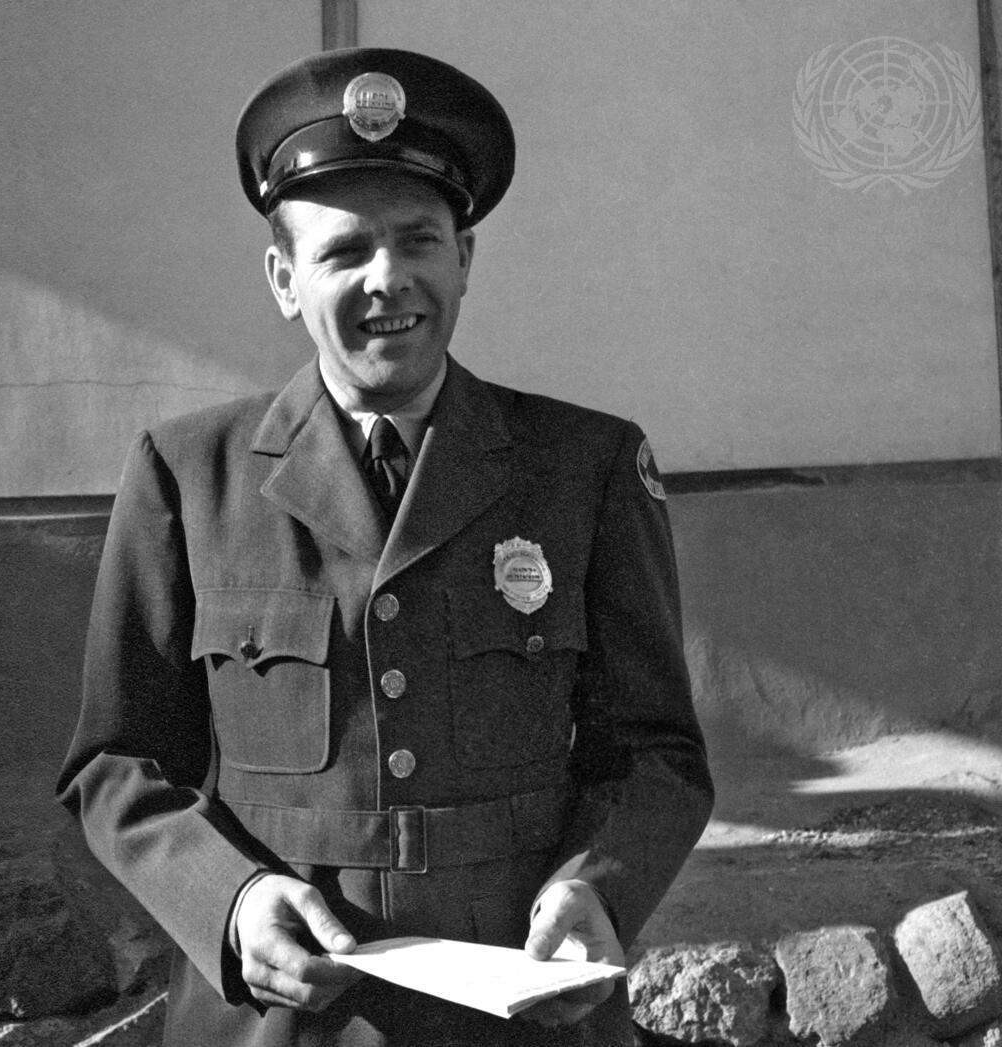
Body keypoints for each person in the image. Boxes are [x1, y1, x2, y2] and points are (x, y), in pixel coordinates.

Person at [57, 47, 714, 1047]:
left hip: (525, 1010)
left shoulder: (587, 466)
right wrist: (231, 901)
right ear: (284, 279)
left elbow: (655, 754)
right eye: (345, 252)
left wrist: (597, 888)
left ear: (465, 258)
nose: (389, 279)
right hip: (283, 1019)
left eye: (419, 241)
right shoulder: (187, 475)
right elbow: (118, 761)